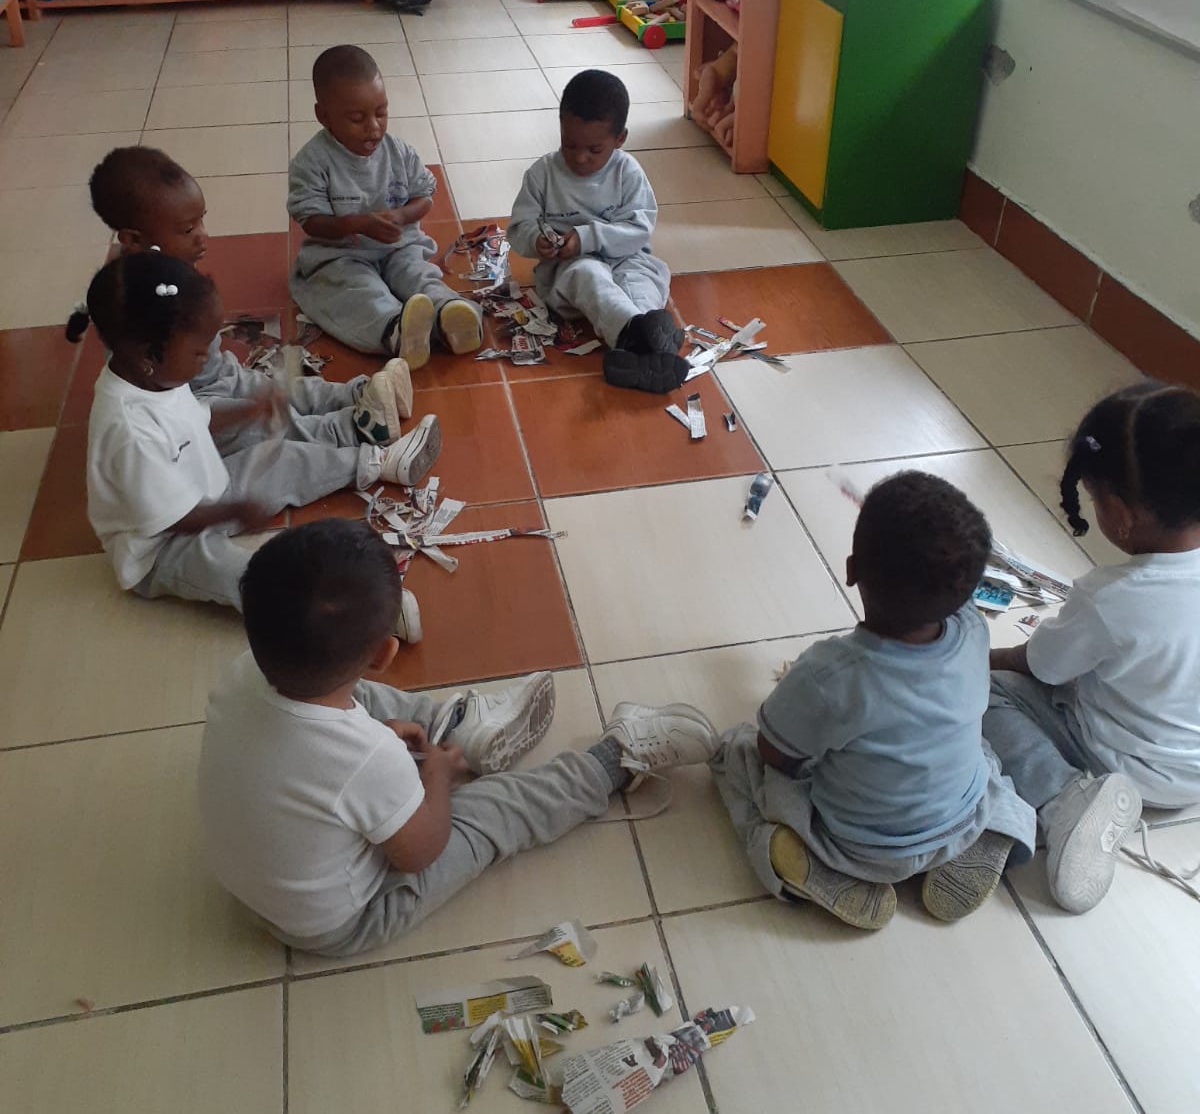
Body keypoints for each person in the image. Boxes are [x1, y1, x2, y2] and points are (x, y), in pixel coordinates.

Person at [198, 519, 721, 957]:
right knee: (488, 815)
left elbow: (319, 752)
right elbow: (421, 851)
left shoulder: (241, 671)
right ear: (385, 653)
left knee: (347, 696)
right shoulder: (371, 759)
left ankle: (458, 727)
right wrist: (438, 778)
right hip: (339, 923)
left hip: (261, 889)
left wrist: (376, 753)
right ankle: (612, 763)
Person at [711, 471, 1035, 931]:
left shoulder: (829, 675)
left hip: (859, 847)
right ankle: (990, 832)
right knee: (979, 751)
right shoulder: (973, 630)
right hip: (962, 818)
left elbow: (773, 754)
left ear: (851, 570)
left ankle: (810, 865)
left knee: (737, 752)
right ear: (965, 589)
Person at [79, 252, 439, 616]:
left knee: (283, 457)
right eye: (199, 353)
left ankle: (376, 461)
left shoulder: (154, 376)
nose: (206, 360)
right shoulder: (129, 432)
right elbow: (171, 519)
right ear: (148, 356)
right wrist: (235, 509)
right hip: (159, 546)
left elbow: (197, 420)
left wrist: (248, 411)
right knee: (243, 573)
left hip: (201, 487)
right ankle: (351, 616)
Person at [986, 382, 1200, 914]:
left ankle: (1065, 800)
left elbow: (1040, 667)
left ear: (1120, 513)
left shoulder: (1112, 596)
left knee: (988, 695)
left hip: (1126, 762)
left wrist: (980, 660)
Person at [81, 144, 413, 452]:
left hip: (216, 375)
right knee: (259, 425)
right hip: (189, 403)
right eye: (188, 229)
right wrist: (238, 408)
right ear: (134, 239)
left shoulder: (164, 262)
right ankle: (352, 429)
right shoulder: (132, 298)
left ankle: (356, 394)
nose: (204, 235)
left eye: (202, 219)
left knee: (275, 390)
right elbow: (167, 395)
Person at [288, 44, 482, 365]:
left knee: (417, 275)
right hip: (342, 254)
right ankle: (395, 330)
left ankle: (449, 313)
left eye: (381, 113)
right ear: (324, 116)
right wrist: (355, 224)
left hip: (398, 248)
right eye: (357, 118)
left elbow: (424, 197)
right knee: (358, 291)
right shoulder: (311, 163)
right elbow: (310, 220)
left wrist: (403, 215)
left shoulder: (400, 152)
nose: (374, 127)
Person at [506, 68, 687, 394]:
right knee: (589, 275)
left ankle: (639, 353)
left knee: (641, 282)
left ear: (620, 139)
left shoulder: (628, 172)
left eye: (594, 150)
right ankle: (640, 339)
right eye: (569, 144)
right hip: (569, 269)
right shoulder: (542, 174)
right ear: (560, 127)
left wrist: (587, 237)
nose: (580, 158)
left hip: (627, 258)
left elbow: (639, 228)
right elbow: (520, 226)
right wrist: (536, 239)